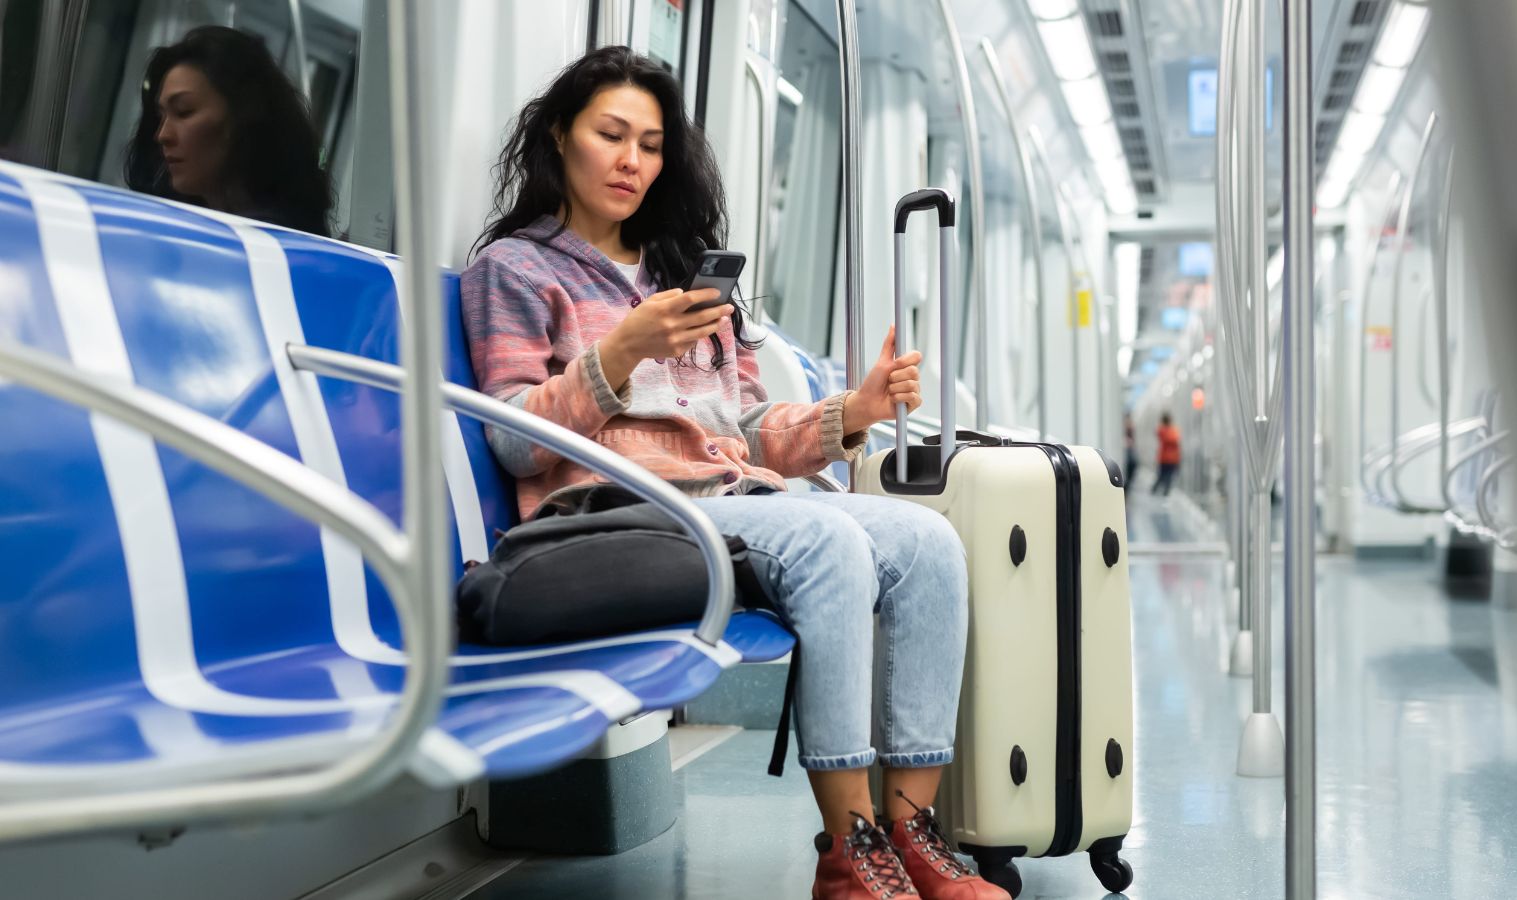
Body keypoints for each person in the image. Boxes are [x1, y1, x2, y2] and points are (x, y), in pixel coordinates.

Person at [460, 47, 1006, 900]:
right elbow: (515, 441)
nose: (632, 161)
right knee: (826, 538)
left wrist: (849, 414)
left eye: (650, 144)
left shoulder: (683, 278)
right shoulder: (516, 269)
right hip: (623, 514)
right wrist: (620, 353)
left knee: (929, 542)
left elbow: (748, 434)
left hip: (729, 505)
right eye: (611, 135)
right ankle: (849, 851)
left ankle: (911, 832)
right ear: (561, 135)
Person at [123, 25, 333, 236]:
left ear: (244, 116)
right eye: (161, 117)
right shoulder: (190, 228)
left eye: (184, 111)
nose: (162, 135)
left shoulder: (273, 243)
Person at [1153, 411, 1181, 496]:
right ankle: (1163, 492)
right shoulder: (1169, 431)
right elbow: (1175, 439)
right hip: (1170, 458)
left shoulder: (1162, 430)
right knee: (1166, 477)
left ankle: (1157, 491)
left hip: (1165, 458)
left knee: (1162, 476)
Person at [1123, 412, 1138, 489]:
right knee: (1131, 464)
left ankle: (1128, 483)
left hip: (1130, 448)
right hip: (1126, 449)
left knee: (1133, 464)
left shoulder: (1130, 427)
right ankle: (1127, 483)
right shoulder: (1125, 427)